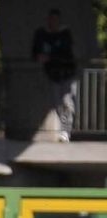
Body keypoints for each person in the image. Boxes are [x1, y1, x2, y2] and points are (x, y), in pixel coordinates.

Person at [32, 9, 77, 143]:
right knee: (57, 104)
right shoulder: (41, 34)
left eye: (56, 20)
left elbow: (65, 51)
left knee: (67, 102)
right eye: (51, 20)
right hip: (53, 74)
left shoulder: (65, 34)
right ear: (48, 20)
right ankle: (63, 129)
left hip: (68, 73)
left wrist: (49, 56)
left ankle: (66, 131)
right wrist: (39, 57)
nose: (53, 23)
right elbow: (35, 52)